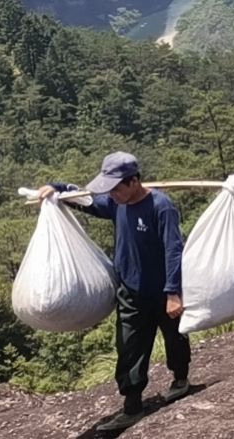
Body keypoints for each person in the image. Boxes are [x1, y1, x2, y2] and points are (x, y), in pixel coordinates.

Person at [39, 152, 191, 433]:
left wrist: (173, 293)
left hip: (162, 292)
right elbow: (88, 202)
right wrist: (58, 188)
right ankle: (132, 407)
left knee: (176, 338)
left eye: (116, 187)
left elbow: (174, 250)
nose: (112, 194)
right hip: (130, 292)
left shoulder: (161, 207)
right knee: (129, 348)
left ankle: (180, 380)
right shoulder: (115, 203)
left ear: (133, 182)